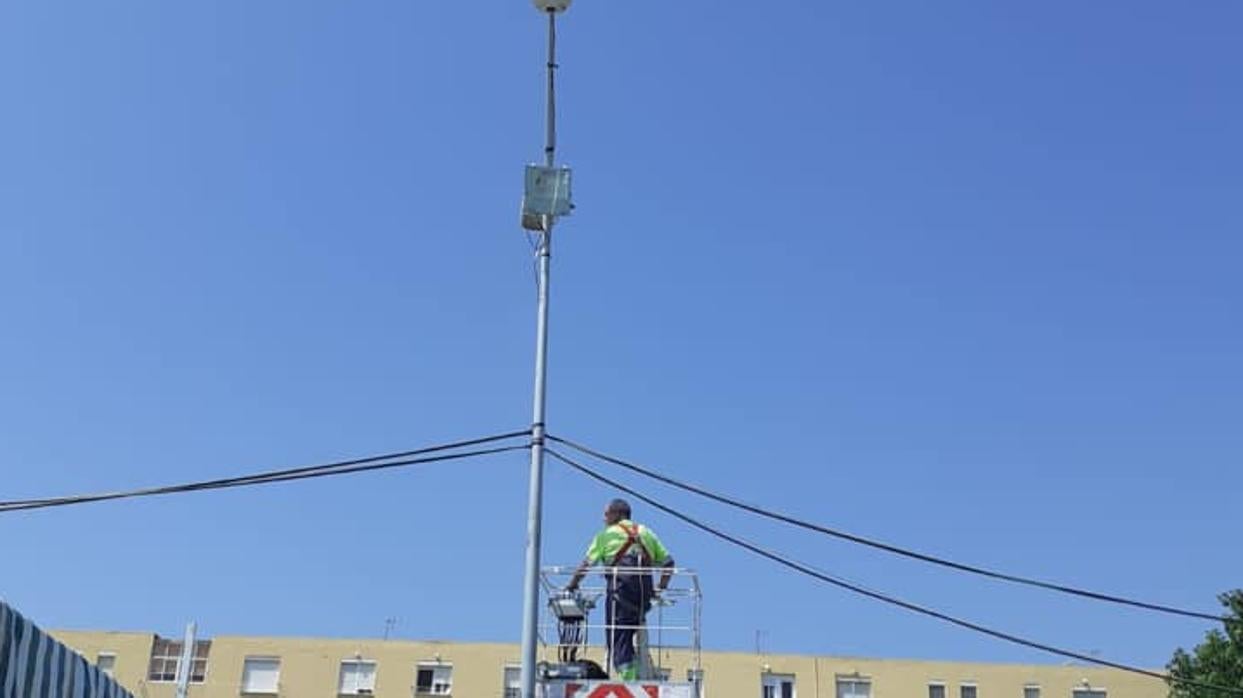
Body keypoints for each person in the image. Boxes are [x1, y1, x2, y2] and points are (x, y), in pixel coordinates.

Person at [566, 498, 675, 681]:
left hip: (620, 593)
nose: (604, 518)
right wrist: (660, 587)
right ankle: (639, 670)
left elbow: (586, 564)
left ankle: (628, 678)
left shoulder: (607, 535)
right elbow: (668, 563)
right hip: (643, 597)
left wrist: (572, 584)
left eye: (606, 514)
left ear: (618, 514)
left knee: (618, 639)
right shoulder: (646, 532)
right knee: (632, 632)